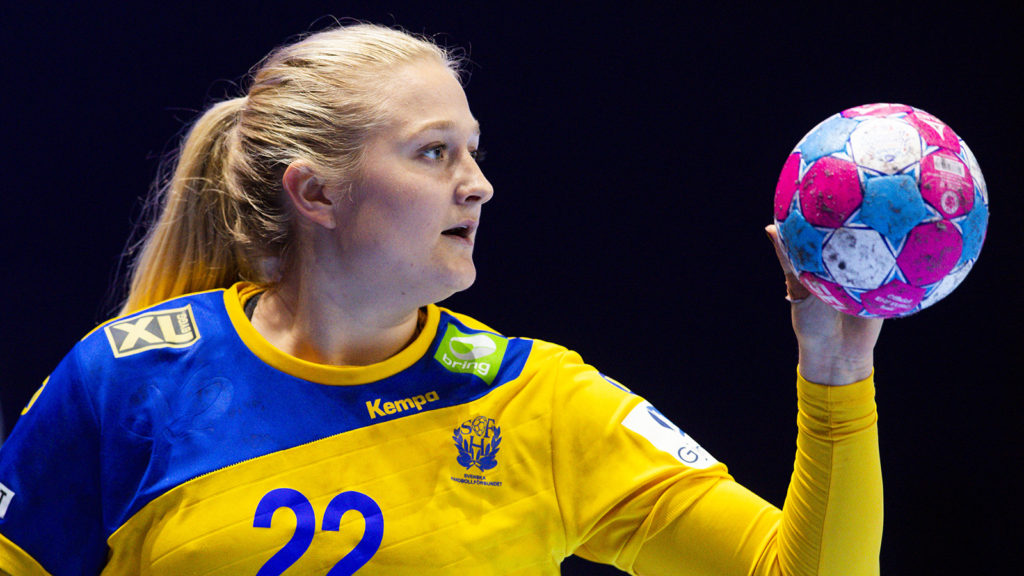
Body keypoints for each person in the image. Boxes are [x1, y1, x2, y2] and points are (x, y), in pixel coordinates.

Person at [0, 23, 883, 575]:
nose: (479, 184)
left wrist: (836, 375)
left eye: (473, 150)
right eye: (434, 152)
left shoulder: (538, 402)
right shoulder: (125, 381)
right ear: (317, 193)